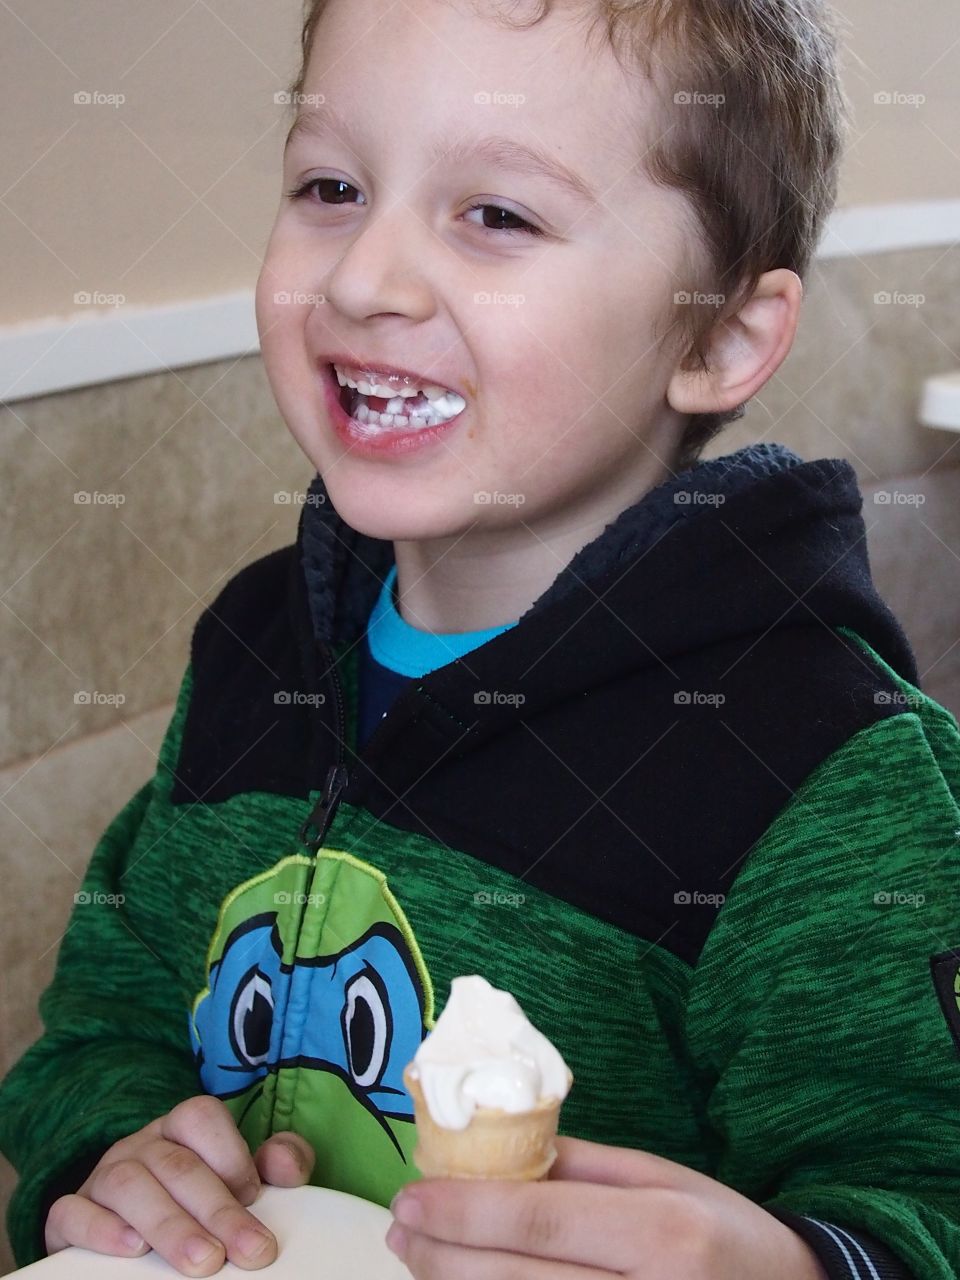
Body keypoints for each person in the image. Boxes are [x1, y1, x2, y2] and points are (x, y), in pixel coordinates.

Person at [3, 0, 959, 1276]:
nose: (359, 278)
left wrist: (795, 1263)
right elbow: (101, 1024)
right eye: (331, 185)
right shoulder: (253, 645)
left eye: (496, 214)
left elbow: (924, 1197)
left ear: (720, 333)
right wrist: (113, 1158)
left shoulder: (829, 775)